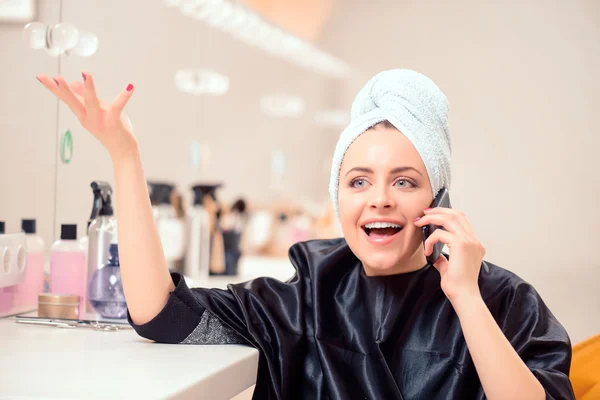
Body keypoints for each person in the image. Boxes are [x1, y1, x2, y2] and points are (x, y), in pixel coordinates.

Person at [36, 69, 574, 399]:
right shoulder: (309, 294)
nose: (379, 197)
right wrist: (125, 157)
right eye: (357, 180)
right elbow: (161, 315)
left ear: (438, 201)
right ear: (338, 200)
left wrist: (465, 296)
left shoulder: (506, 302)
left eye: (405, 182)